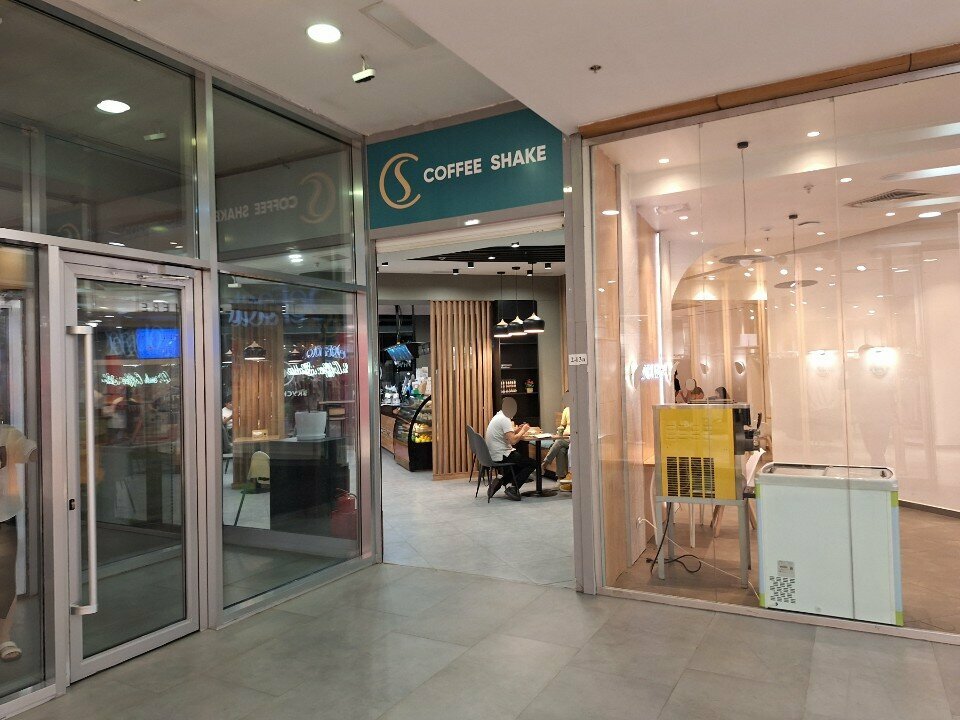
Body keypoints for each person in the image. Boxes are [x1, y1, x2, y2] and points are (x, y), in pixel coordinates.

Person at [0, 424, 38, 663]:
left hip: (3, 517)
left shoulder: (6, 434)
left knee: (5, 581)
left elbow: (28, 450)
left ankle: (4, 636)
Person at [484, 397, 538, 501]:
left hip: (493, 453)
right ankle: (513, 488)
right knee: (532, 464)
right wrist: (523, 430)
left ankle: (501, 481)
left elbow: (507, 434)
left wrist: (517, 430)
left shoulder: (498, 416)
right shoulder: (505, 419)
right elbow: (513, 441)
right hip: (502, 454)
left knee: (520, 463)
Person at [542, 404, 571, 479]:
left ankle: (545, 463)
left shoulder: (579, 411)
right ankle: (560, 478)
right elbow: (562, 426)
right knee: (561, 450)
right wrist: (558, 433)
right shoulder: (566, 410)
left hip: (573, 437)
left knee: (559, 442)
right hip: (564, 437)